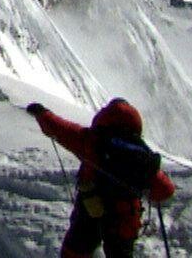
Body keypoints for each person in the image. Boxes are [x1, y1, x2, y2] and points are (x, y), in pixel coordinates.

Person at [26, 98, 175, 258]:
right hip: (124, 219)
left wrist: (42, 113)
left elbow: (61, 128)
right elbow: (165, 191)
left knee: (75, 251)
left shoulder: (93, 141)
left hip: (91, 211)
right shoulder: (142, 155)